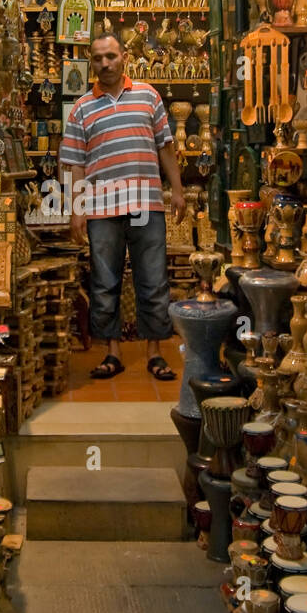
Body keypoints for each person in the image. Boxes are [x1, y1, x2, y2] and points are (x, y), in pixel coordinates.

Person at [59, 32, 185, 381]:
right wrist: (77, 209)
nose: (105, 64)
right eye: (98, 58)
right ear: (91, 61)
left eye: (111, 56)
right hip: (101, 210)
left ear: (123, 56)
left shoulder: (148, 96)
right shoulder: (82, 107)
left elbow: (166, 147)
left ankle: (155, 353)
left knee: (153, 279)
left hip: (146, 204)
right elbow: (76, 164)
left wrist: (177, 190)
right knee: (104, 281)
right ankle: (112, 353)